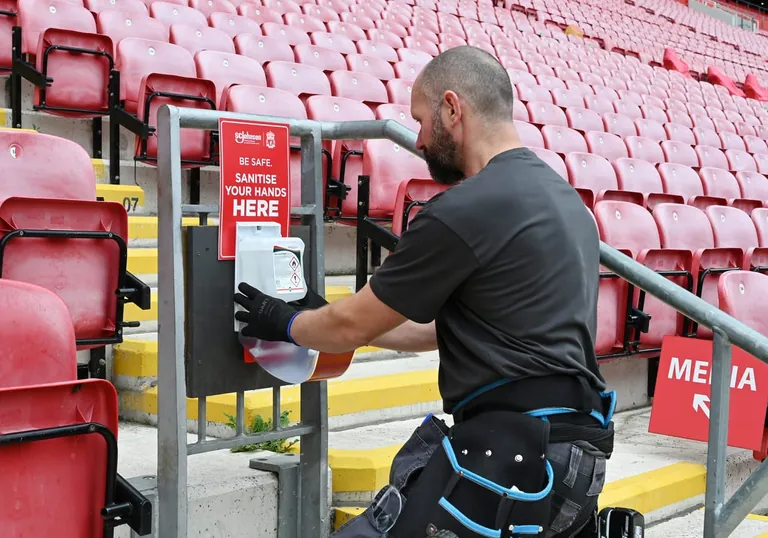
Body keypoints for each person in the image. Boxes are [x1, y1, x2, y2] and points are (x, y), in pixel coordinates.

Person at [234, 45, 615, 538]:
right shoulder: (568, 204)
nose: (418, 139)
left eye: (420, 119)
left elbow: (351, 326)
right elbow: (444, 329)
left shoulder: (465, 209)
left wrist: (284, 321)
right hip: (578, 461)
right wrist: (325, 315)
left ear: (452, 108)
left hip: (515, 455)